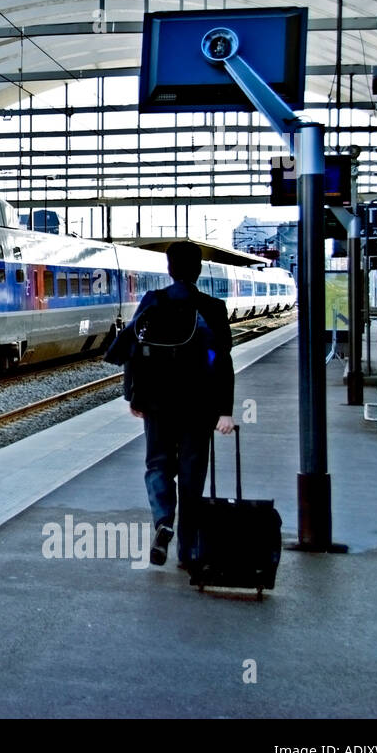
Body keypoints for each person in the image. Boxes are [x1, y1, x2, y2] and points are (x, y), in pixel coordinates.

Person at [105, 242, 235, 569]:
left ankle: (163, 521)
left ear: (169, 269)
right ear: (199, 270)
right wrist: (225, 411)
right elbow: (222, 362)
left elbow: (134, 349)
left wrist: (133, 396)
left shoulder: (153, 302)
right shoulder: (213, 307)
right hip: (199, 405)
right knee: (192, 474)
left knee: (158, 466)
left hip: (157, 403)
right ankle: (188, 549)